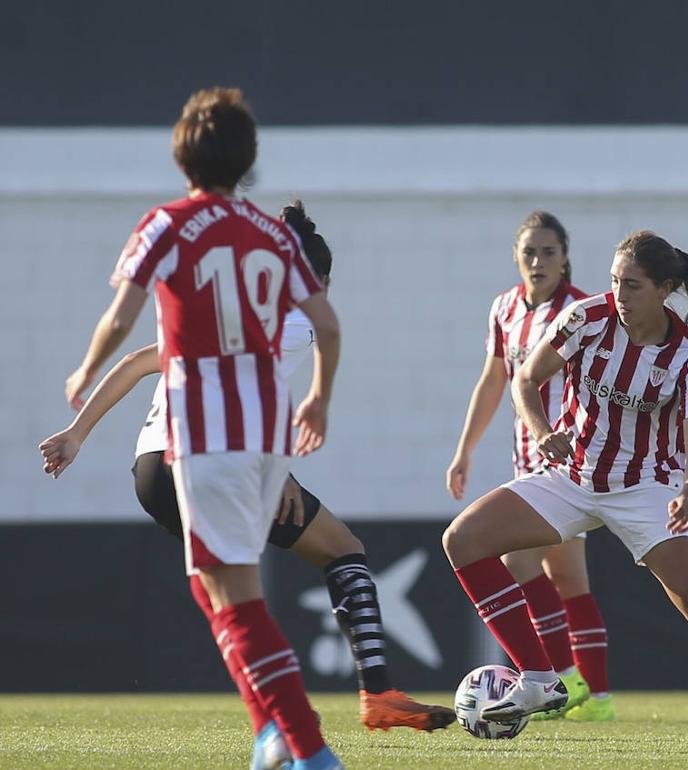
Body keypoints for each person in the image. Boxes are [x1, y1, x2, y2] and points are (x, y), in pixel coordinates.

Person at [40, 202, 454, 739]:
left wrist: (76, 434)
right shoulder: (299, 322)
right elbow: (253, 390)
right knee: (341, 552)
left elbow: (140, 361)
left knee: (222, 597)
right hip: (218, 458)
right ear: (317, 281)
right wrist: (274, 469)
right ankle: (366, 700)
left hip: (151, 469)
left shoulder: (219, 308)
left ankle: (278, 727)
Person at [50, 87, 349, 770]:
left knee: (237, 597)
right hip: (267, 438)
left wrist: (85, 368)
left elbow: (123, 318)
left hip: (204, 437)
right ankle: (270, 734)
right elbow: (326, 325)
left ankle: (309, 751)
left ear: (181, 157)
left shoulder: (165, 224)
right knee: (211, 585)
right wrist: (321, 401)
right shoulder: (276, 235)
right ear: (245, 162)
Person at [442, 230, 688, 746]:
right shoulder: (586, 318)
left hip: (644, 488)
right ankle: (538, 678)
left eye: (633, 286)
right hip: (571, 476)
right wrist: (541, 433)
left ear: (666, 288)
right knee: (462, 540)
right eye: (615, 282)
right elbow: (525, 380)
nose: (619, 296)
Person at [446, 211, 612, 721]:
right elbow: (493, 380)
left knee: (515, 566)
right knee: (566, 578)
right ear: (517, 259)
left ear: (565, 259)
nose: (537, 261)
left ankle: (557, 680)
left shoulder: (579, 313)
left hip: (568, 469)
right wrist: (464, 450)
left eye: (548, 252)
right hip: (526, 464)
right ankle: (594, 696)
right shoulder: (504, 308)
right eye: (529, 253)